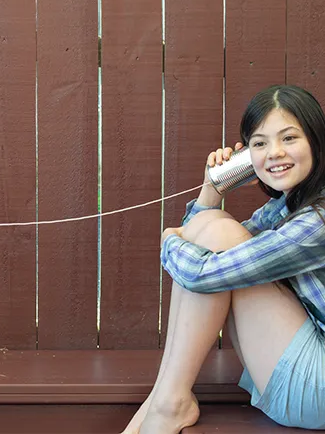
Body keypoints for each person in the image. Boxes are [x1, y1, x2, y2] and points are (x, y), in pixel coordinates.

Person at [122, 84, 325, 434]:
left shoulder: (317, 222)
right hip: (299, 373)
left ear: (317, 142)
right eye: (260, 143)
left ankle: (169, 402)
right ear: (247, 157)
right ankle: (165, 399)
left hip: (315, 389)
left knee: (221, 236)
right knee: (216, 227)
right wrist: (212, 188)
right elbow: (202, 233)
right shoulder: (287, 206)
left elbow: (202, 271)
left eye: (289, 138)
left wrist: (168, 239)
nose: (274, 153)